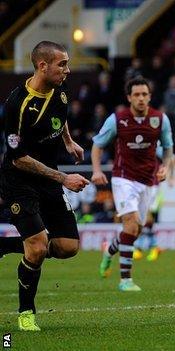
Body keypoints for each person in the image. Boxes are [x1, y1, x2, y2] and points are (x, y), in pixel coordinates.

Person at [0, 41, 89, 331]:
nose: (68, 69)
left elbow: (59, 118)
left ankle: (8, 246)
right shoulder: (17, 104)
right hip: (20, 181)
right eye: (62, 64)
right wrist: (64, 178)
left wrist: (68, 141)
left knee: (67, 247)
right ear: (42, 66)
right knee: (37, 249)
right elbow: (18, 159)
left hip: (48, 180)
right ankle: (26, 313)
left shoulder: (60, 90)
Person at [91, 76, 174, 292]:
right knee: (130, 224)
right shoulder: (117, 120)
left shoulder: (160, 119)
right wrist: (97, 170)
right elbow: (98, 145)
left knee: (136, 229)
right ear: (129, 97)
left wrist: (164, 166)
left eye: (144, 94)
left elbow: (167, 148)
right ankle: (125, 279)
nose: (141, 98)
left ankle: (108, 251)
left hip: (148, 181)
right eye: (136, 94)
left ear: (150, 96)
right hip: (123, 178)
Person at [133, 146, 175, 261]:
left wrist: (171, 177)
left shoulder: (156, 144)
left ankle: (140, 247)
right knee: (144, 217)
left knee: (146, 215)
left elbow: (172, 158)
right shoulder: (140, 144)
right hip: (144, 185)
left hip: (153, 187)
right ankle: (153, 246)